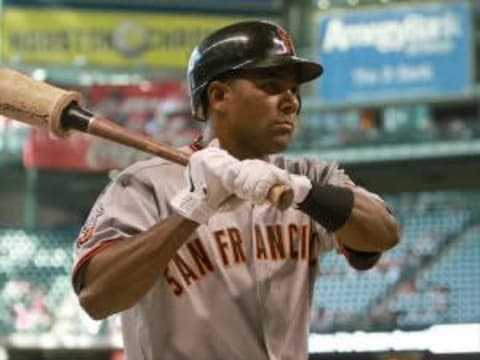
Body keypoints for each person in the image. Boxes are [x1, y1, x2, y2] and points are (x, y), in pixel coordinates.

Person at [71, 20, 400, 360]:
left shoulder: (308, 176)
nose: (291, 103)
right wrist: (194, 208)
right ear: (219, 96)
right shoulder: (144, 184)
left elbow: (383, 233)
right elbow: (97, 297)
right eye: (272, 86)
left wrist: (301, 190)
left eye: (294, 91)